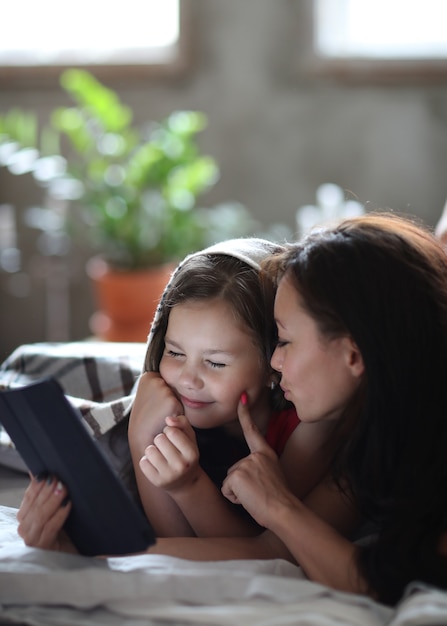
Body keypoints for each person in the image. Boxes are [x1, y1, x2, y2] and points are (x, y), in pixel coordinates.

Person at [17, 213, 447, 605]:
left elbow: (363, 578)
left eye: (283, 341)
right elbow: (270, 550)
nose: (275, 363)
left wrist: (276, 504)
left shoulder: (392, 438)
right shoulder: (365, 427)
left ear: (353, 356)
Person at [17, 238, 335, 542]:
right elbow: (170, 544)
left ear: (272, 361)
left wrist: (187, 486)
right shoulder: (163, 401)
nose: (187, 380)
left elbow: (257, 548)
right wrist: (140, 436)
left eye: (216, 363)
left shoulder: (308, 428)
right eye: (175, 353)